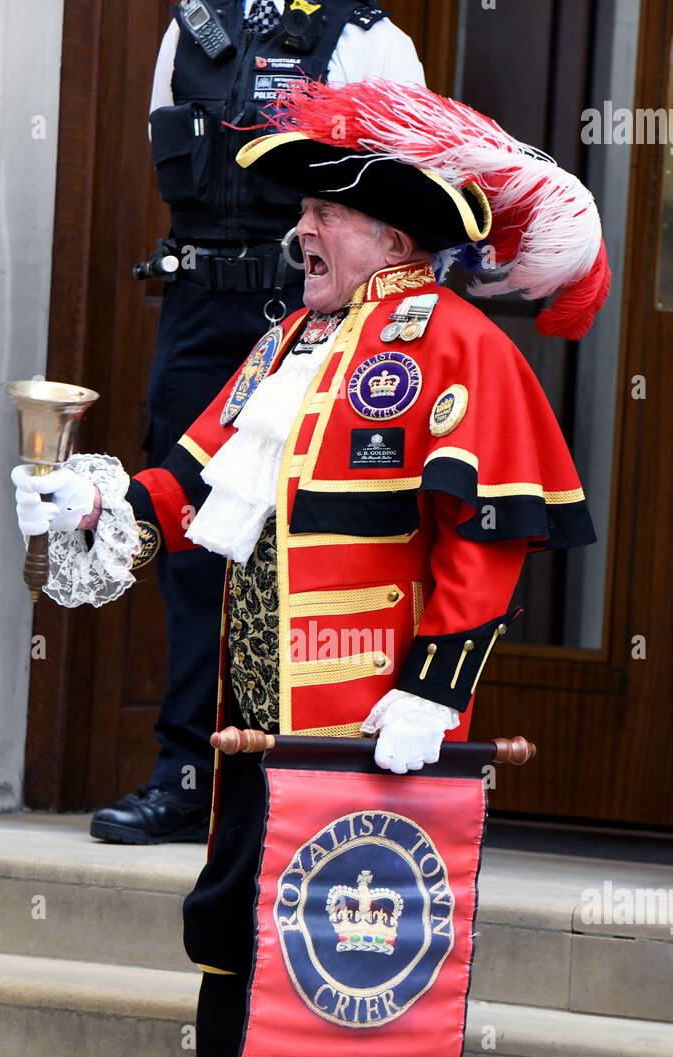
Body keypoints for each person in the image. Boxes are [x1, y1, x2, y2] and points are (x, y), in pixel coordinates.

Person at [13, 78, 609, 1057]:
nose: (295, 233)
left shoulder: (453, 344)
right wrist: (95, 499)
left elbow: (485, 538)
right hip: (254, 711)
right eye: (298, 217)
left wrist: (434, 692)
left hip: (375, 716)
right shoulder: (284, 343)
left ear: (393, 238)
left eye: (320, 217)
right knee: (234, 923)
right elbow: (197, 485)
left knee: (365, 930)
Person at [91, 0, 425, 847]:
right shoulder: (191, 28)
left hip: (313, 308)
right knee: (191, 537)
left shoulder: (369, 40)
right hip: (200, 311)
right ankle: (187, 775)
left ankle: (303, 768)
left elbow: (398, 196)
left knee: (309, 543)